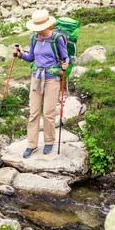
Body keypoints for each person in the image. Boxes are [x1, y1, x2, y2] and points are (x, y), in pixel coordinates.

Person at [13, 10, 69, 157]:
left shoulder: (57, 39)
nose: (37, 31)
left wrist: (66, 64)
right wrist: (20, 55)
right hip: (36, 77)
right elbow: (31, 57)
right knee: (33, 112)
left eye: (40, 29)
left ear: (47, 26)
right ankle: (32, 145)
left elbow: (65, 57)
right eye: (35, 29)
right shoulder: (34, 38)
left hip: (52, 78)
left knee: (49, 113)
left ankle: (49, 142)